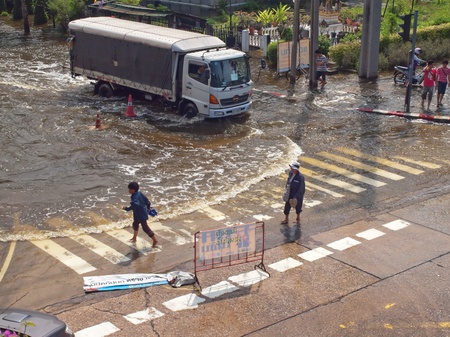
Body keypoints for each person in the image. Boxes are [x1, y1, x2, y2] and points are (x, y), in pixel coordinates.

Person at [122, 182, 159, 247]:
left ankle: (155, 240)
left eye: (130, 189)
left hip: (141, 214)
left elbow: (135, 204)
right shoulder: (139, 193)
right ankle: (134, 238)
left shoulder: (134, 197)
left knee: (145, 228)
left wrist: (127, 209)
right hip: (139, 213)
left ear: (133, 190)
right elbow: (147, 202)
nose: (129, 190)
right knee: (135, 224)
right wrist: (148, 208)